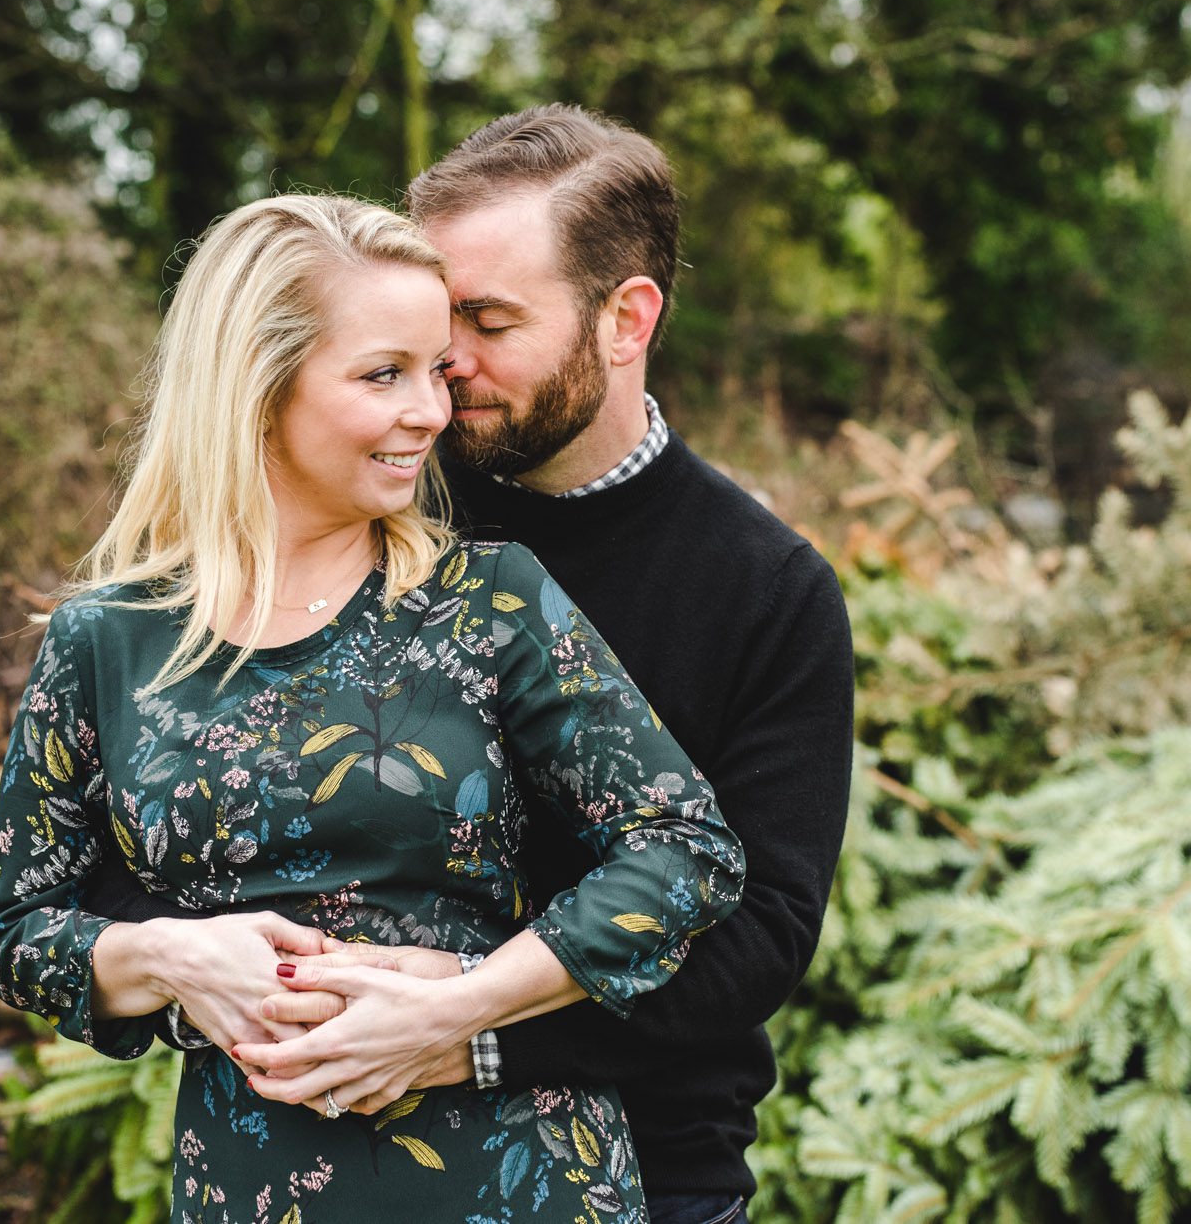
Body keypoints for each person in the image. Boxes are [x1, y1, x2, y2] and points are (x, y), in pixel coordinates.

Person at [0, 193, 745, 1224]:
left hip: (515, 1174)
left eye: (436, 368)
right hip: (255, 1182)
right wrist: (167, 954)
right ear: (254, 384)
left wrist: (460, 1005)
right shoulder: (107, 639)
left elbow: (684, 848)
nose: (430, 409)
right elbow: (20, 928)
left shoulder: (489, 599)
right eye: (384, 373)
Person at [255, 106, 857, 1224]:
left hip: (650, 1170)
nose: (447, 365)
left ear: (624, 318)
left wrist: (472, 1033)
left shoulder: (763, 588)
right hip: (337, 1167)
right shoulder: (368, 514)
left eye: (487, 319)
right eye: (437, 321)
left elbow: (757, 938)